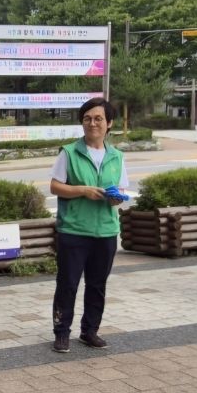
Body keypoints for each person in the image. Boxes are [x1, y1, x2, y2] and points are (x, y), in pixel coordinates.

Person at [49, 97, 127, 353]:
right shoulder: (69, 152)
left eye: (98, 118)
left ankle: (90, 331)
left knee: (97, 285)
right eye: (87, 118)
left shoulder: (117, 156)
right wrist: (82, 190)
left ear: (109, 124)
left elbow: (122, 190)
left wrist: (116, 197)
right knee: (68, 284)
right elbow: (55, 186)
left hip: (106, 230)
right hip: (74, 230)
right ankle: (62, 332)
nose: (92, 123)